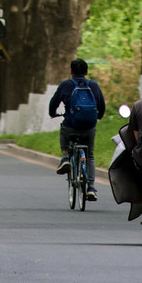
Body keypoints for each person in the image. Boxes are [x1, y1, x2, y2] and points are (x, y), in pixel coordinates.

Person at [49, 58, 106, 200]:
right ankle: (91, 187)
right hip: (89, 127)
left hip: (71, 126)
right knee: (90, 155)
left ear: (71, 71)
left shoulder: (65, 85)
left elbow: (53, 103)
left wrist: (52, 114)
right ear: (86, 71)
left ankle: (65, 158)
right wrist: (98, 117)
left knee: (64, 129)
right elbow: (102, 105)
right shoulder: (93, 85)